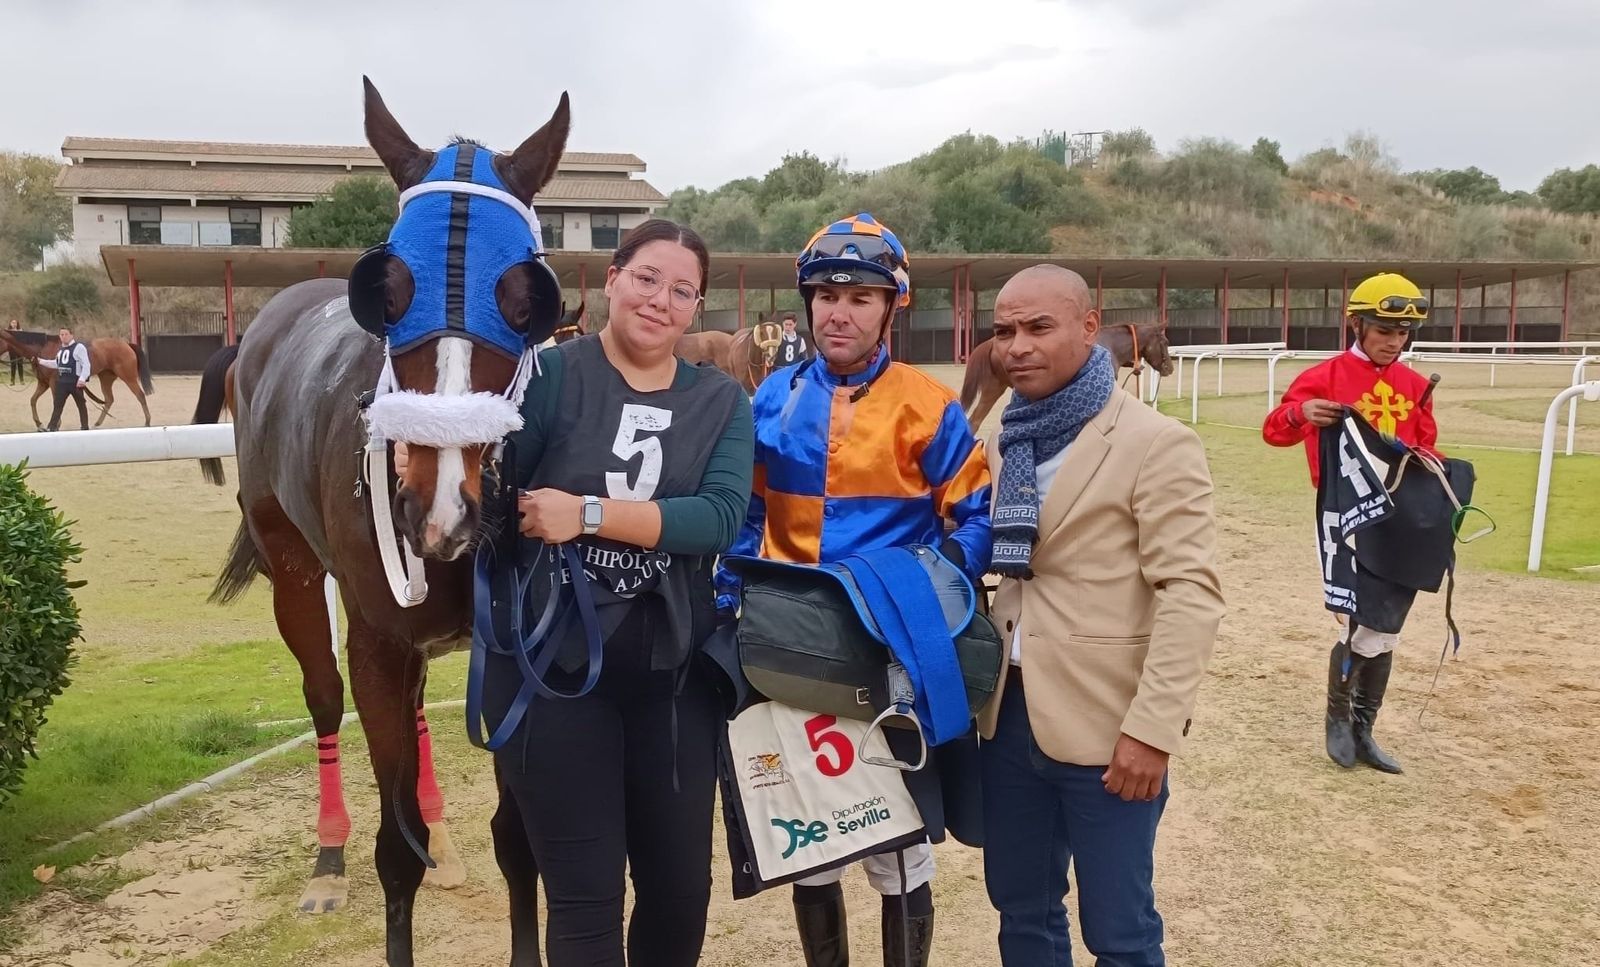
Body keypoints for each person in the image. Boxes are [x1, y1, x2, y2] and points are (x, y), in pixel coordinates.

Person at [715, 213, 992, 967]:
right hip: (789, 652)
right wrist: (728, 598)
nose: (839, 310)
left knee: (899, 853)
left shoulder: (930, 406)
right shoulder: (768, 400)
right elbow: (743, 516)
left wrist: (924, 599)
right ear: (807, 301)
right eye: (827, 293)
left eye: (861, 296)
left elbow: (973, 520)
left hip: (888, 657)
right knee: (813, 842)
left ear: (891, 306)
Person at [479, 218, 754, 967]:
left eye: (682, 290)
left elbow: (721, 517)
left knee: (679, 897)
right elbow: (497, 497)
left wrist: (588, 512)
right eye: (646, 278)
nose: (661, 300)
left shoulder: (722, 402)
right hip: (558, 675)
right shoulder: (552, 375)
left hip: (673, 678)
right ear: (611, 279)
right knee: (586, 903)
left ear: (696, 306)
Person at [978, 265, 1224, 967]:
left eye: (1037, 327)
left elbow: (1192, 594)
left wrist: (1151, 730)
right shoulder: (1005, 437)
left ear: (1090, 328)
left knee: (1120, 931)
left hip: (1110, 728)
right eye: (1004, 332)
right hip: (1009, 714)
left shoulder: (1156, 442)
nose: (1017, 346)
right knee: (1021, 908)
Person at [1262, 271, 1440, 774]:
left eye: (1402, 332)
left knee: (1386, 628)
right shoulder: (1325, 375)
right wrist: (1301, 414)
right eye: (1384, 330)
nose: (1394, 341)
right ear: (1357, 326)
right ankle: (1338, 721)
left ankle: (1364, 729)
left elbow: (1428, 444)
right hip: (1349, 517)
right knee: (1363, 621)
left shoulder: (1415, 385)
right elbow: (1273, 430)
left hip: (1401, 519)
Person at [40, 326, 91, 431]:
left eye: (66, 334)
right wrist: (40, 361)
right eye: (61, 335)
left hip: (75, 382)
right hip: (62, 382)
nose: (63, 337)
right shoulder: (61, 350)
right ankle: (52, 427)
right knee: (57, 405)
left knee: (81, 405)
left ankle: (85, 427)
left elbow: (86, 364)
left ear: (71, 335)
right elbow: (56, 364)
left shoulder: (79, 347)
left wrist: (82, 379)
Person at [5, 319, 25, 385]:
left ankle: (22, 380)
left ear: (17, 324)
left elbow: (23, 340)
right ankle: (12, 381)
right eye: (12, 322)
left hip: (19, 350)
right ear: (10, 324)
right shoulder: (8, 331)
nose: (14, 324)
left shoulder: (20, 330)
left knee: (20, 365)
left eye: (15, 323)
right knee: (13, 365)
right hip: (12, 350)